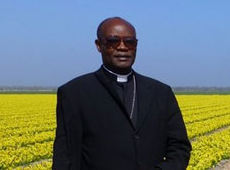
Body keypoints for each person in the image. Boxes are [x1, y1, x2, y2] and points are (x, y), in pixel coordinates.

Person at [52, 17, 191, 169]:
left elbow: (180, 147)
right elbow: (65, 156)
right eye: (113, 41)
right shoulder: (75, 92)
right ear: (99, 45)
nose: (123, 47)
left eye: (130, 42)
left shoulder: (161, 92)